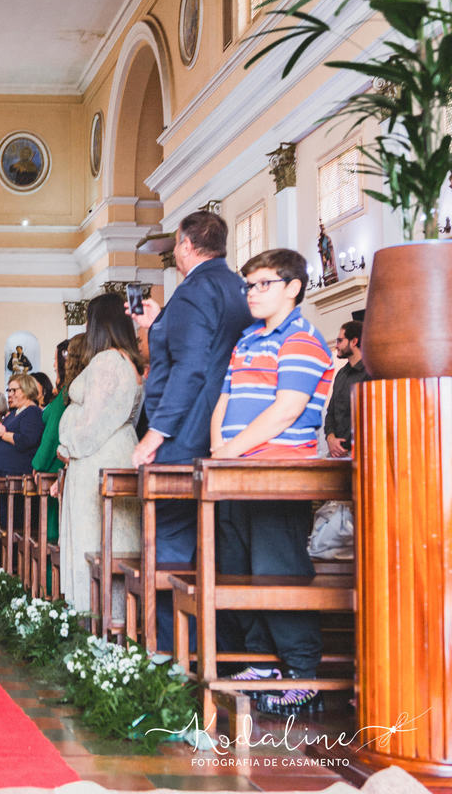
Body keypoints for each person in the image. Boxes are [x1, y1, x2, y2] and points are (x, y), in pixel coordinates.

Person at [209, 249, 334, 715]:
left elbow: (287, 409)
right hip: (236, 471)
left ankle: (304, 672)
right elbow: (224, 398)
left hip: (278, 474)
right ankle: (262, 661)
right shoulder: (247, 339)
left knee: (277, 570)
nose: (253, 293)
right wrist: (219, 450)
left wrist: (230, 451)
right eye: (250, 284)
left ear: (293, 287)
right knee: (241, 569)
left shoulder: (302, 339)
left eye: (264, 284)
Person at [129, 210, 253, 650]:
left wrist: (155, 433)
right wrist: (158, 323)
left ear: (185, 245)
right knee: (222, 547)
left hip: (186, 436)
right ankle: (221, 646)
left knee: (171, 547)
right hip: (225, 433)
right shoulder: (236, 287)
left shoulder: (194, 291)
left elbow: (191, 368)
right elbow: (209, 348)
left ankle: (173, 653)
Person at [56, 294, 144, 613]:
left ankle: (97, 615)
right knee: (111, 536)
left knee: (95, 537)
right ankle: (111, 616)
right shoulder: (127, 361)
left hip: (96, 456)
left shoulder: (107, 361)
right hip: (114, 450)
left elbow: (93, 422)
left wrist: (67, 446)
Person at [32, 333, 86, 546]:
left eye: (56, 360)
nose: (54, 365)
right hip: (58, 465)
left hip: (54, 467)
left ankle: (51, 568)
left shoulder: (66, 394)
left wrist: (38, 464)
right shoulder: (66, 392)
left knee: (53, 531)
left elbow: (52, 434)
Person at [323, 320, 367, 458]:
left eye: (340, 340)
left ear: (354, 342)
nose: (336, 345)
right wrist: (330, 438)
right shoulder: (341, 374)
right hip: (337, 452)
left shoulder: (371, 373)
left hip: (361, 453)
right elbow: (331, 412)